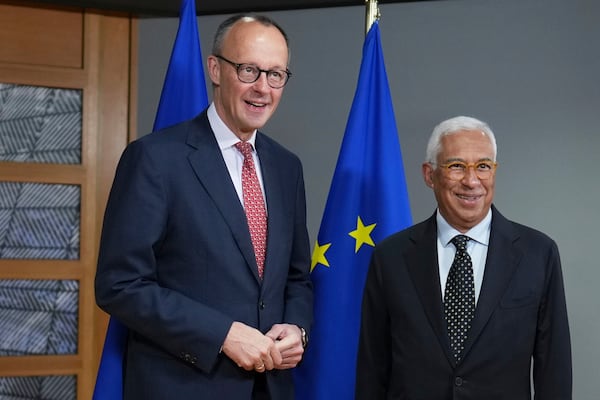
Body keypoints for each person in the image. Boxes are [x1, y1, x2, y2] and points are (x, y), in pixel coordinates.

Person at [95, 14, 312, 400]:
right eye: (249, 70)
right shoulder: (155, 159)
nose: (263, 88)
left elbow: (296, 276)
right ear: (215, 68)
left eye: (276, 75)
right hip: (182, 386)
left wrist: (297, 328)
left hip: (272, 388)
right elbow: (120, 285)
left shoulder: (286, 166)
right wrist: (222, 333)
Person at [356, 116, 572, 399]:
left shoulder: (538, 254)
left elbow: (554, 373)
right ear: (429, 174)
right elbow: (372, 371)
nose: (471, 181)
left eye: (483, 166)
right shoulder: (390, 257)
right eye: (456, 166)